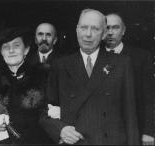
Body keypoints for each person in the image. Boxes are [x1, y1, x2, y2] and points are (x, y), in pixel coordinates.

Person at [40, 8, 139, 145]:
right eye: (84, 27)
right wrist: (61, 130)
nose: (88, 34)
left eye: (95, 29)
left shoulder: (121, 64)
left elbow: (131, 116)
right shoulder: (61, 65)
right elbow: (45, 111)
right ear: (77, 30)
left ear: (104, 34)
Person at [0, 27, 53, 144]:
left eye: (16, 46)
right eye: (6, 47)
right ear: (1, 52)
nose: (11, 51)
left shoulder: (43, 75)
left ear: (26, 50)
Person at [104, 13, 155, 145]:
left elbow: (150, 97)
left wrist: (149, 131)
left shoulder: (141, 57)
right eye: (106, 27)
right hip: (100, 131)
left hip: (132, 129)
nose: (110, 32)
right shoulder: (92, 57)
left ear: (123, 30)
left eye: (115, 28)